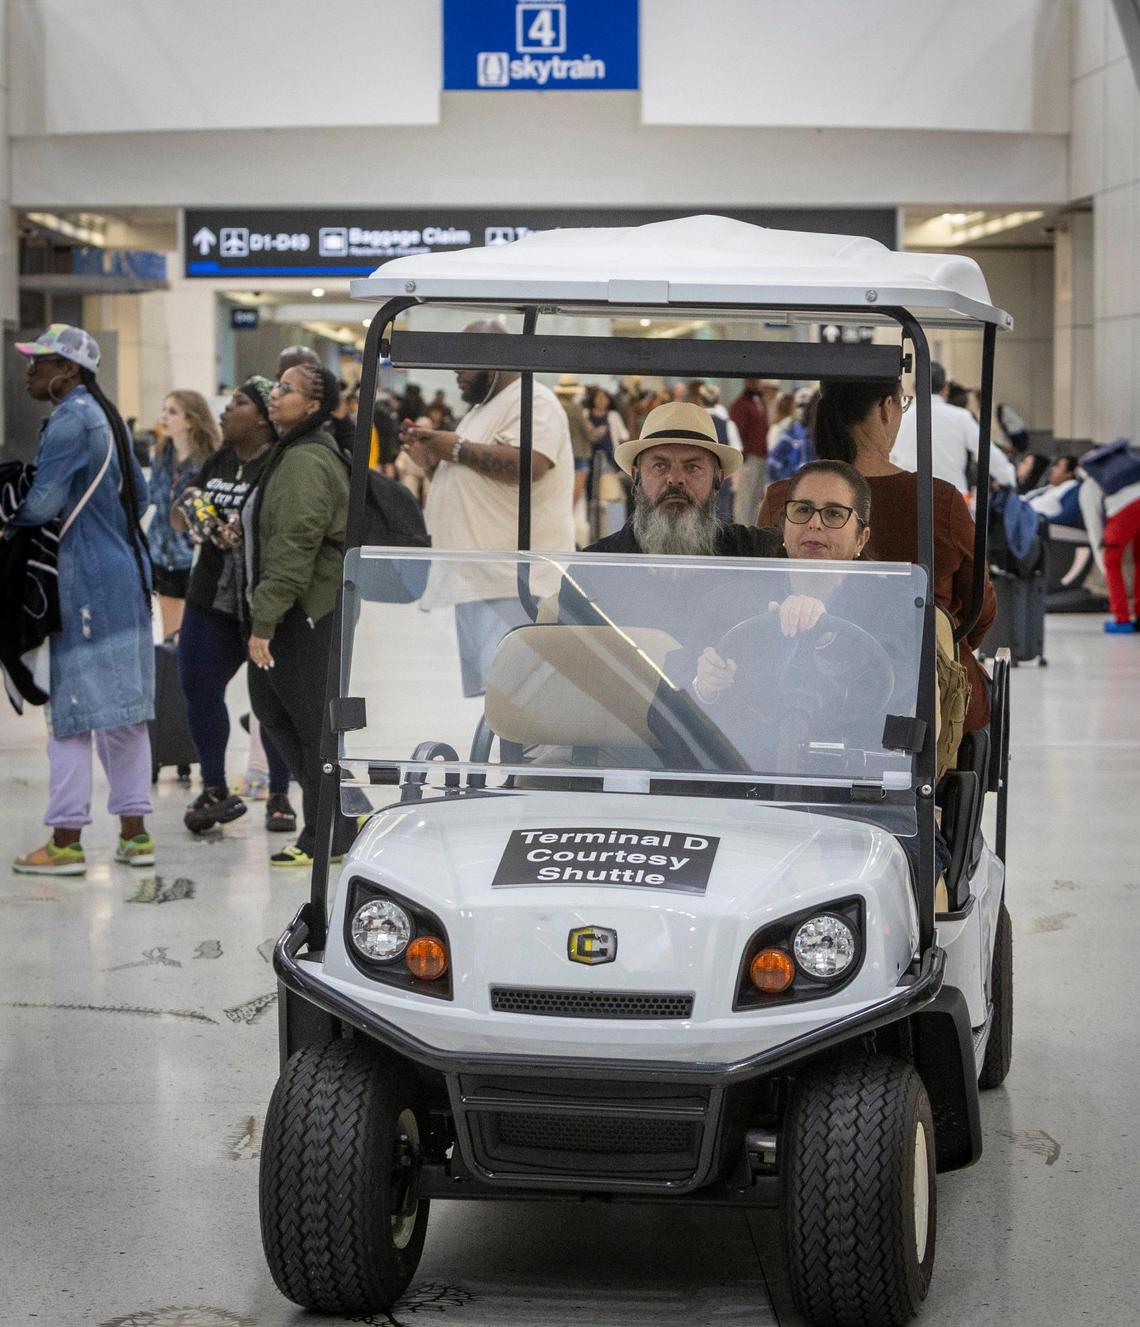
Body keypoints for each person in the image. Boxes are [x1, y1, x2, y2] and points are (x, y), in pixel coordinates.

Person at [757, 377, 997, 732]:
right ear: (887, 408)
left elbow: (763, 589)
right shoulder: (939, 502)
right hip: (921, 699)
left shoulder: (784, 499)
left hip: (798, 689)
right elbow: (980, 610)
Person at [8, 325, 156, 874]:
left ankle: (66, 841)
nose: (30, 371)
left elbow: (41, 503)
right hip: (124, 579)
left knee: (72, 714)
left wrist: (8, 517)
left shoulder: (71, 416)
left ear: (68, 371)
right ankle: (136, 837)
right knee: (125, 714)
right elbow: (138, 496)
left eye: (40, 362)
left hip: (85, 584)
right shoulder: (106, 414)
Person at [399, 320, 575, 697]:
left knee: (525, 700)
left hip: (516, 584)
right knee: (498, 700)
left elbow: (533, 464)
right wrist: (434, 462)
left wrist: (457, 449)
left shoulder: (533, 399)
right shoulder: (484, 409)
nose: (456, 371)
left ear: (495, 359)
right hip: (480, 581)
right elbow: (478, 479)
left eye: (466, 361)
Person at [246, 362, 355, 867]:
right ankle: (341, 821)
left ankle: (323, 835)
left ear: (312, 406)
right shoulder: (292, 452)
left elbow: (295, 544)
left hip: (305, 610)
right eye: (277, 384)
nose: (275, 393)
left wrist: (265, 620)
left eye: (286, 388)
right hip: (298, 606)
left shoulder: (307, 460)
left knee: (311, 727)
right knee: (274, 712)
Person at [176, 377, 296, 835]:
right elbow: (184, 505)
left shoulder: (281, 463)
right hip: (210, 597)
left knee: (270, 699)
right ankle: (213, 787)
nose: (225, 411)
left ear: (265, 417)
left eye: (238, 404)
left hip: (262, 600)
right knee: (199, 686)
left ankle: (280, 795)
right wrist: (202, 519)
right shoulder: (221, 460)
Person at [694, 459, 873, 704]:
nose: (814, 523)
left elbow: (890, 695)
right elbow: (678, 694)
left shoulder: (886, 609)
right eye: (802, 510)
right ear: (784, 526)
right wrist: (705, 687)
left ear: (861, 540)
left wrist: (827, 637)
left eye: (833, 514)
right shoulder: (732, 601)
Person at [587, 401, 782, 558]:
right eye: (660, 466)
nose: (675, 478)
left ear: (718, 478)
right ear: (636, 475)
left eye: (693, 467)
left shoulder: (754, 552)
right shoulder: (598, 565)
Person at [147, 389, 219, 636]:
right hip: (162, 553)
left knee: (191, 634)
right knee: (169, 632)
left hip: (193, 557)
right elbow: (153, 498)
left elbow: (208, 514)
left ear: (191, 420)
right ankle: (173, 673)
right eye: (164, 410)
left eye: (172, 412)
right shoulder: (161, 455)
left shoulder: (208, 461)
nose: (164, 417)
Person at [891, 360, 1016, 492]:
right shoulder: (961, 417)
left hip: (908, 497)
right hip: (952, 500)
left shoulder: (899, 418)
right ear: (946, 388)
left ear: (914, 387)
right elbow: (987, 452)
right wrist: (1008, 478)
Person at [1076, 439, 1140, 633]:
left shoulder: (1089, 484)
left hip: (1125, 511)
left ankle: (1122, 620)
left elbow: (1095, 528)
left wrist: (1103, 563)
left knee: (1112, 561)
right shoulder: (1128, 468)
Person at [729, 378, 770, 526]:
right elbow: (737, 431)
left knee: (756, 497)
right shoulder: (740, 404)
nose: (758, 384)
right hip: (749, 457)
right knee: (744, 499)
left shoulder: (759, 401)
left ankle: (752, 529)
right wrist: (743, 456)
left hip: (761, 456)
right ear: (747, 382)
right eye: (755, 381)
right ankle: (742, 529)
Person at [766, 387, 816, 483]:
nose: (803, 410)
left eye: (806, 406)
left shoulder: (814, 434)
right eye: (800, 405)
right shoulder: (787, 432)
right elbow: (774, 463)